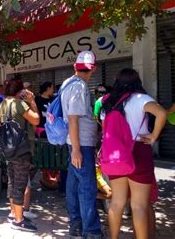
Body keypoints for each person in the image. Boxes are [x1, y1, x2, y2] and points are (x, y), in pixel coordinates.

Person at [103, 68, 167, 239]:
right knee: (139, 205)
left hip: (116, 154)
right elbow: (161, 113)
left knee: (116, 203)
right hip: (138, 150)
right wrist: (153, 136)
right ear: (136, 81)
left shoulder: (108, 102)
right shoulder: (141, 98)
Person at [61, 51, 101, 237]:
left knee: (74, 184)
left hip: (75, 142)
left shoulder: (67, 83)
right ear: (93, 69)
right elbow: (73, 118)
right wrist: (77, 149)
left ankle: (76, 224)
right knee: (87, 187)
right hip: (81, 143)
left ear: (74, 66)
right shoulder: (78, 86)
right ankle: (91, 231)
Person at [0, 79, 40, 231]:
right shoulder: (19, 104)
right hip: (21, 150)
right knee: (20, 184)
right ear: (20, 91)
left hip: (7, 151)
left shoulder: (0, 106)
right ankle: (19, 220)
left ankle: (13, 212)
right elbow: (36, 120)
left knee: (12, 182)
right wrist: (32, 101)